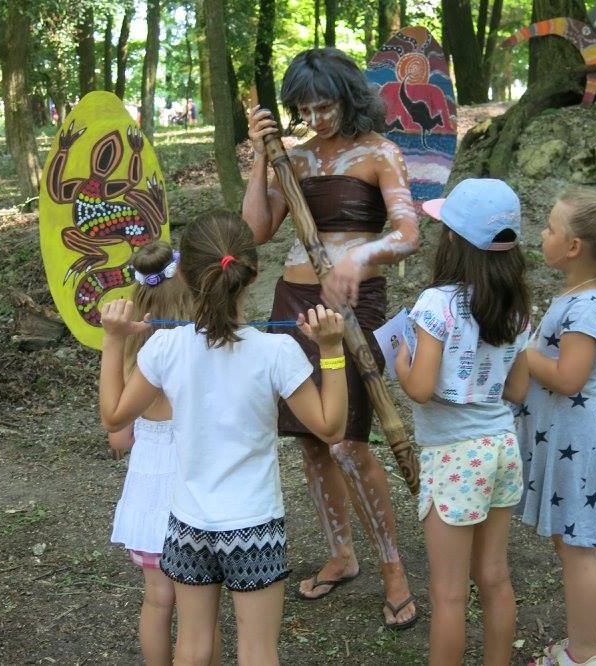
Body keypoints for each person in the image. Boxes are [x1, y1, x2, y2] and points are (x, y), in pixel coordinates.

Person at [98, 211, 347, 665]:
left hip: (188, 522)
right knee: (257, 651)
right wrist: (331, 350)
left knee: (192, 649)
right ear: (253, 274)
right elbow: (331, 428)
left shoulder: (165, 347)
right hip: (253, 523)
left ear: (185, 275)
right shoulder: (277, 351)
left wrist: (113, 340)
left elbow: (114, 417)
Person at [242, 47, 420, 627]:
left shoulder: (379, 153)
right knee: (311, 439)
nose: (315, 119)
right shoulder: (292, 158)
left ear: (348, 97)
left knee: (348, 441)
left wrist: (358, 257)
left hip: (352, 306)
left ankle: (393, 569)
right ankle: (342, 554)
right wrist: (261, 160)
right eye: (304, 109)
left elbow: (408, 233)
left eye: (325, 107)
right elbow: (255, 231)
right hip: (292, 306)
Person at [395, 179, 530, 665]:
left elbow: (420, 388)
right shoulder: (517, 306)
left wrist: (401, 360)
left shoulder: (437, 304)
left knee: (449, 593)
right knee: (494, 577)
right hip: (502, 448)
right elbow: (517, 391)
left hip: (454, 458)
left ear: (451, 239)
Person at [519, 190, 596, 666]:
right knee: (587, 543)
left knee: (577, 551)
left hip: (578, 440)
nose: (542, 234)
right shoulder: (582, 296)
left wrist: (523, 352)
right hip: (576, 438)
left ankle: (581, 655)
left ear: (573, 247)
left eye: (550, 228)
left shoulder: (585, 306)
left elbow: (568, 379)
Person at [107, 242, 220, 665]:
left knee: (157, 601)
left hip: (150, 505)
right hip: (197, 500)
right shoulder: (205, 352)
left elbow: (119, 440)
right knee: (202, 612)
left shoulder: (132, 359)